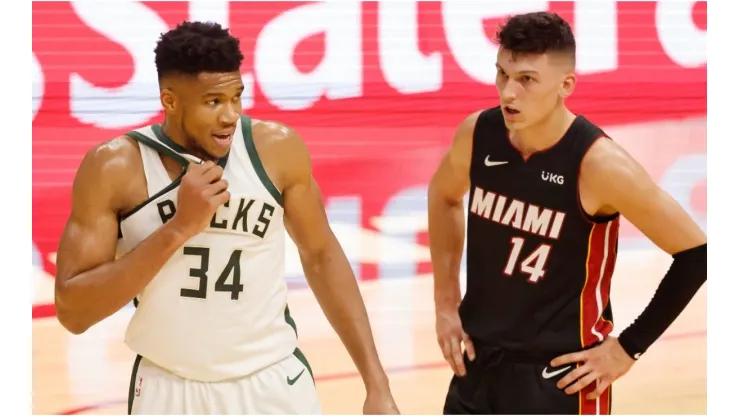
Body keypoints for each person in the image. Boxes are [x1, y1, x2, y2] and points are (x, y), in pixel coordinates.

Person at [54, 21, 399, 415]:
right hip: (168, 387)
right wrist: (179, 227)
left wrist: (377, 383)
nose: (230, 115)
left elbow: (322, 258)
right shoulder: (115, 167)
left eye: (237, 97)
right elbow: (73, 311)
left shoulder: (275, 150)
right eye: (213, 102)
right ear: (169, 100)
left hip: (271, 383)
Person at [427, 11, 707, 415]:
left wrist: (629, 348)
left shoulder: (599, 165)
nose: (508, 93)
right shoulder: (478, 134)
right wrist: (445, 302)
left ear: (566, 85)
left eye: (526, 80)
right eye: (502, 74)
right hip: (478, 365)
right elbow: (443, 195)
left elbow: (696, 253)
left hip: (559, 379)